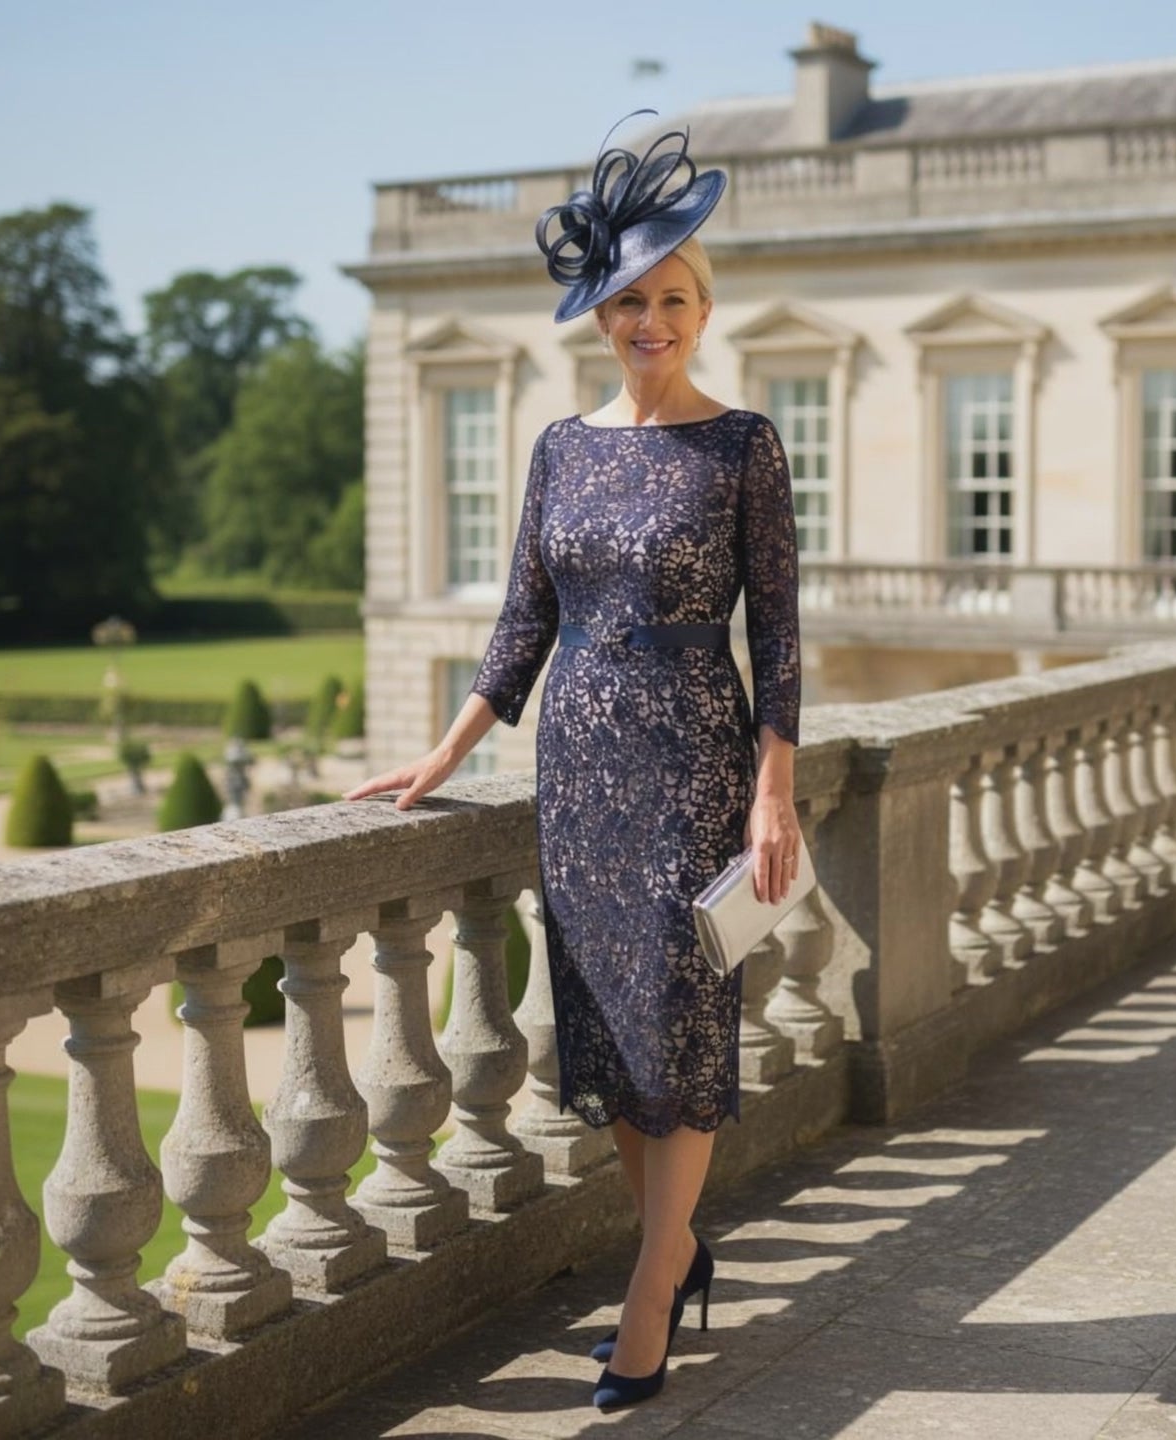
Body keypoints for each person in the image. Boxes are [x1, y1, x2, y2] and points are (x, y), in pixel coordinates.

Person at [345, 112, 802, 1411]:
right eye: (629, 300)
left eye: (673, 298)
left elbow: (779, 638)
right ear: (602, 315)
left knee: (683, 1021)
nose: (650, 319)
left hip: (698, 764)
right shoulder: (560, 450)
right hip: (578, 773)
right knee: (605, 1030)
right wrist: (439, 756)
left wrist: (774, 792)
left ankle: (651, 1288)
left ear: (702, 311)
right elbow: (520, 630)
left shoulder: (742, 447)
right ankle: (675, 1246)